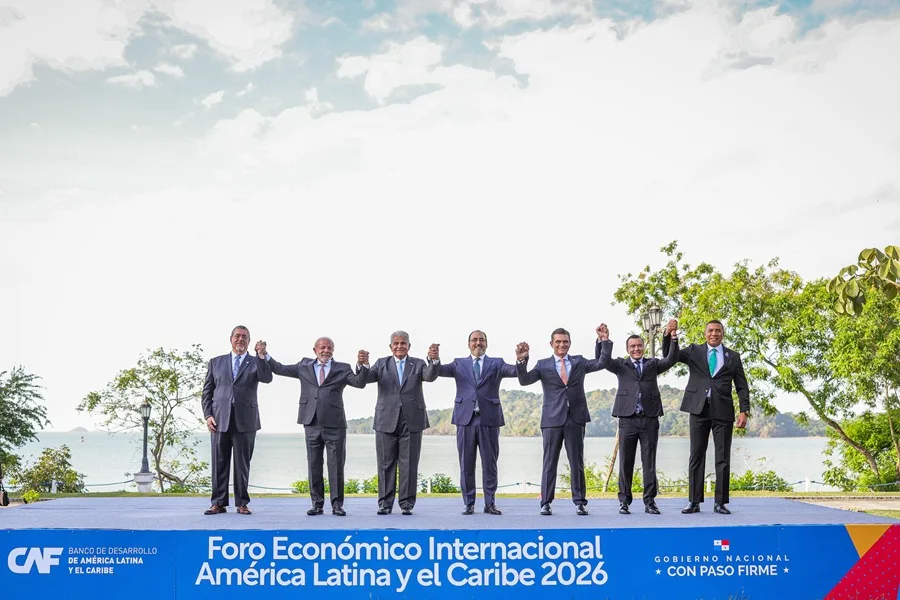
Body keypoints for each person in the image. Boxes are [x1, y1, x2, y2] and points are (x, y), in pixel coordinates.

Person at [255, 338, 369, 517]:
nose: (326, 350)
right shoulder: (304, 365)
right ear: (315, 350)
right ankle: (317, 505)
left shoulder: (343, 368)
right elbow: (280, 368)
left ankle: (337, 505)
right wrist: (264, 354)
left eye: (329, 347)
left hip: (335, 424)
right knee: (314, 465)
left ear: (333, 350)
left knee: (336, 467)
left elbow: (359, 383)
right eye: (322, 347)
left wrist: (363, 365)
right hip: (311, 422)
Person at [515, 326, 613, 516]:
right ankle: (545, 502)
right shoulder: (542, 365)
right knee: (549, 463)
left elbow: (602, 362)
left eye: (565, 341)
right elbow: (524, 380)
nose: (562, 344)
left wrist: (603, 341)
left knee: (576, 462)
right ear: (551, 344)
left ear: (570, 343)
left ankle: (580, 502)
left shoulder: (579, 361)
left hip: (575, 418)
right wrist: (521, 360)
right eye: (558, 341)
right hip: (551, 419)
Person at [662, 319, 750, 515]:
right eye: (710, 330)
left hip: (723, 411)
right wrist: (669, 335)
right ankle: (694, 501)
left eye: (718, 330)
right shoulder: (694, 351)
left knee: (722, 458)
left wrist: (744, 410)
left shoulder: (733, 357)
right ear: (705, 333)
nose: (714, 333)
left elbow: (742, 386)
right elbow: (670, 356)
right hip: (698, 409)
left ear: (723, 334)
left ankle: (720, 503)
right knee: (696, 456)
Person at [430, 330, 518, 515]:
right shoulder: (458, 364)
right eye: (474, 340)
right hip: (465, 420)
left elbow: (516, 371)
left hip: (489, 420)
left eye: (481, 340)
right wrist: (434, 359)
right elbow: (437, 371)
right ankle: (469, 503)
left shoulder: (497, 363)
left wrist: (521, 359)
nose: (478, 343)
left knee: (490, 464)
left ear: (487, 343)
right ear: (468, 344)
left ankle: (489, 504)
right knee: (466, 464)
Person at [598, 322, 678, 515]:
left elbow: (671, 359)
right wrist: (604, 340)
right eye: (632, 346)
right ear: (627, 349)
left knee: (649, 463)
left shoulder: (652, 364)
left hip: (649, 419)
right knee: (625, 462)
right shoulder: (620, 365)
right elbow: (604, 361)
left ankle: (650, 501)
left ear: (643, 347)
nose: (636, 349)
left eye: (639, 345)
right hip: (627, 420)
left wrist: (673, 338)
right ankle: (624, 501)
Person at [360, 331, 439, 515]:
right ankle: (385, 504)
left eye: (403, 343)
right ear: (390, 346)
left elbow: (430, 376)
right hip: (385, 420)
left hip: (412, 420)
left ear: (409, 346)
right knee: (385, 464)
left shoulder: (418, 363)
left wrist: (434, 361)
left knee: (409, 465)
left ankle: (406, 504)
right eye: (396, 343)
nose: (399, 346)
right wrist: (363, 365)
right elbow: (365, 379)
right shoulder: (381, 363)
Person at [201, 325, 272, 515]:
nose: (240, 339)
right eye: (237, 336)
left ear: (249, 341)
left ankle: (242, 503)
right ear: (231, 338)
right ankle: (218, 503)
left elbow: (267, 378)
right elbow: (207, 392)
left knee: (242, 464)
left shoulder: (256, 361)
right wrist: (208, 415)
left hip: (246, 420)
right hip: (219, 420)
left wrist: (261, 355)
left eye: (245, 337)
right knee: (219, 463)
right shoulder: (215, 362)